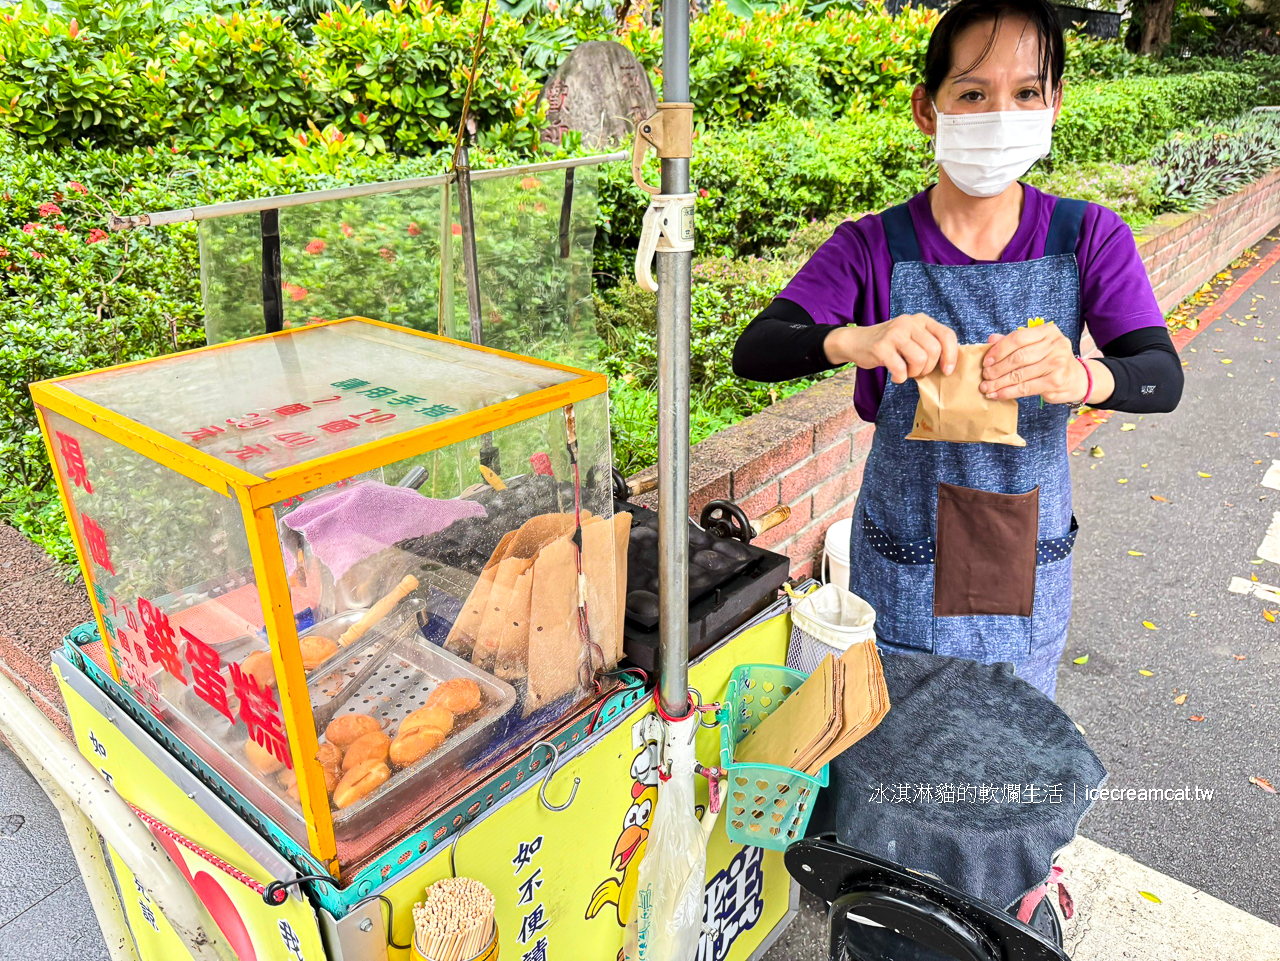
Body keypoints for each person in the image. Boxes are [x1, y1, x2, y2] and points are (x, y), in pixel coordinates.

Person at [732, 0, 1183, 699]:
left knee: (1010, 762)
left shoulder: (1087, 238)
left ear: (1054, 104)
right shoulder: (872, 248)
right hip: (903, 566)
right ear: (927, 109)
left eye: (1026, 92)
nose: (1001, 113)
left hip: (1028, 566)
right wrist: (857, 337)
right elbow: (757, 350)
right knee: (894, 763)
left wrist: (1080, 375)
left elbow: (1161, 376)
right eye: (972, 93)